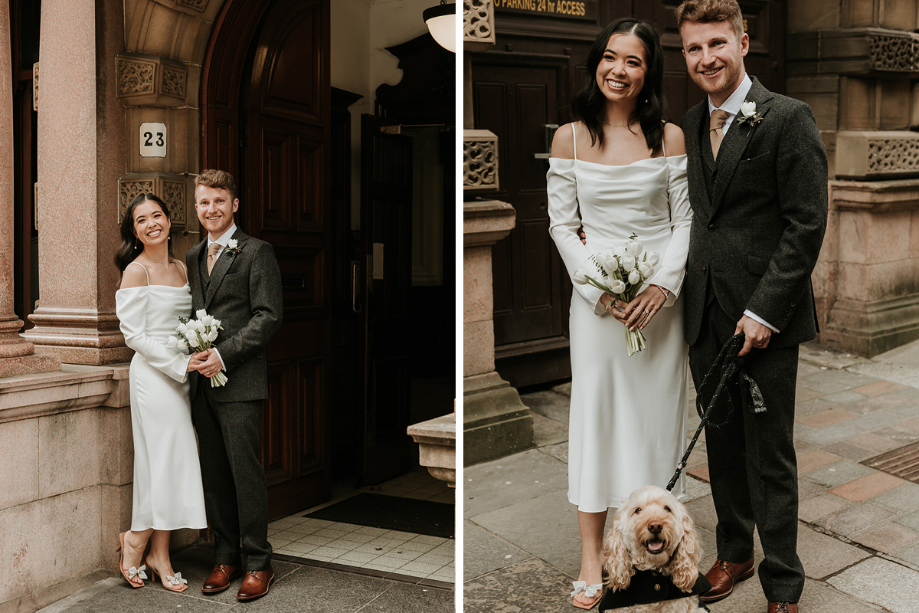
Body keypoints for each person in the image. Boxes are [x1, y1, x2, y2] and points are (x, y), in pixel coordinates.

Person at [675, 2, 827, 612]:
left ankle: (784, 584)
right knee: (721, 444)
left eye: (716, 43)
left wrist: (765, 311)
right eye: (692, 49)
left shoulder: (789, 118)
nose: (706, 58)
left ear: (743, 42)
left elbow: (806, 224)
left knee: (770, 454)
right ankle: (735, 551)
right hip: (704, 314)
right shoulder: (687, 124)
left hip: (765, 321)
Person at [547, 17, 693, 609]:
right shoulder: (570, 138)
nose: (618, 69)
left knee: (656, 422)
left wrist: (663, 286)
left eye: (633, 61)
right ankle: (591, 557)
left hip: (661, 303)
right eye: (610, 57)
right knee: (597, 419)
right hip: (598, 303)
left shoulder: (672, 137)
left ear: (648, 71)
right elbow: (561, 223)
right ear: (596, 62)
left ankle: (664, 552)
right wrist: (598, 292)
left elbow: (683, 222)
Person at [186, 169, 283, 602]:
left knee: (245, 473)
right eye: (204, 202)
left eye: (219, 202)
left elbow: (268, 317)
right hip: (201, 386)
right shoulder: (191, 257)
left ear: (234, 205)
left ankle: (259, 562)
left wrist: (222, 355)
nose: (212, 210)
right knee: (215, 473)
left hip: (240, 381)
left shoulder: (256, 252)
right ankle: (225, 557)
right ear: (197, 207)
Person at [114, 193, 208, 592]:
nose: (151, 223)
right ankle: (144, 544)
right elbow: (133, 335)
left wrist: (197, 350)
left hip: (182, 375)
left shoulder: (182, 266)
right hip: (154, 375)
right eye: (141, 220)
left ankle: (148, 547)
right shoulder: (137, 271)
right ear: (134, 232)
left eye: (157, 215)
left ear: (170, 221)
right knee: (165, 460)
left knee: (165, 464)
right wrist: (176, 363)